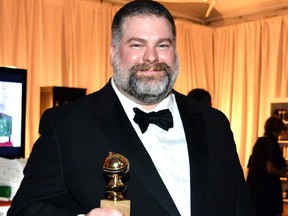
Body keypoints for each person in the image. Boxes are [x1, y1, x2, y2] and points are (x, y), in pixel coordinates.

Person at [8, 1, 256, 216]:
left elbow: (240, 207)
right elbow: (25, 209)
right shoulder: (67, 126)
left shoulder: (215, 122)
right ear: (113, 53)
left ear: (175, 53)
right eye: (137, 45)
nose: (151, 57)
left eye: (163, 45)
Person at [247, 116, 287, 216]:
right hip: (267, 189)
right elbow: (270, 168)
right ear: (278, 130)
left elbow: (250, 165)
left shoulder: (259, 141)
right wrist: (281, 173)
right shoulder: (272, 143)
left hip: (255, 188)